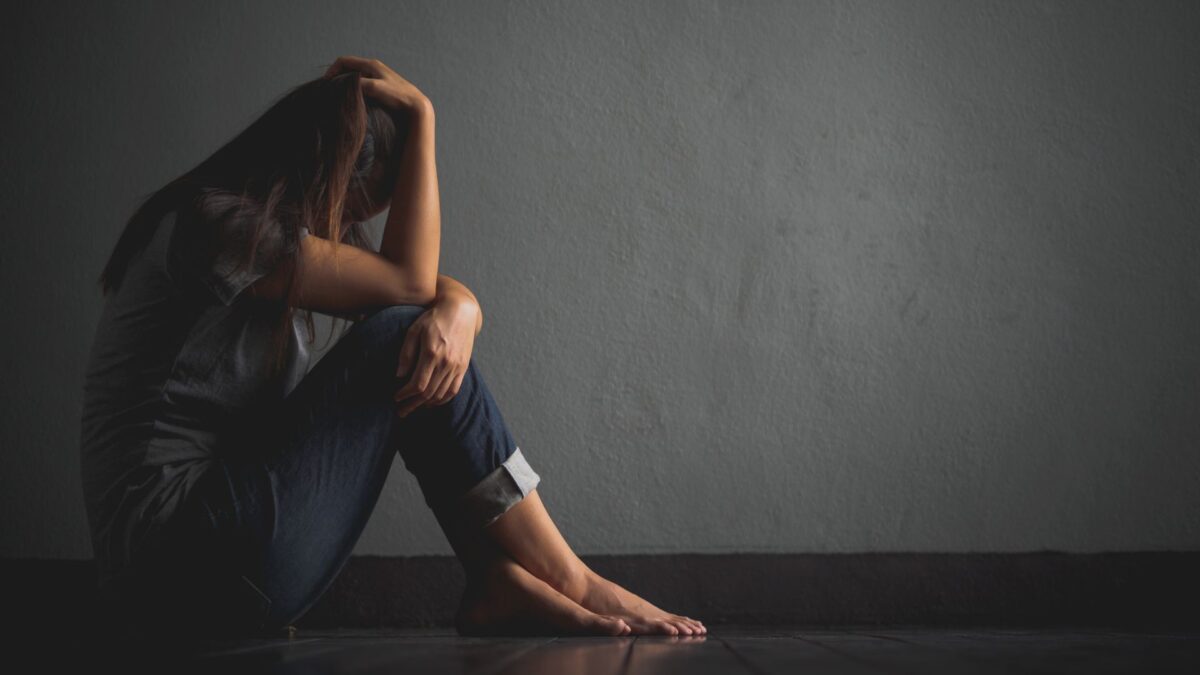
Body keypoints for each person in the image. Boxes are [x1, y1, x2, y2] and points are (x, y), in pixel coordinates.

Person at [79, 55, 705, 640]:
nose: (351, 226)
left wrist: (462, 307)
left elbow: (413, 289)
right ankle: (573, 579)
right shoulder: (216, 226)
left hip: (209, 574)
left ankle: (495, 578)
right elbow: (408, 287)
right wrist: (423, 116)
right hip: (175, 566)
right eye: (358, 204)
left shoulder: (256, 238)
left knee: (417, 336)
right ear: (327, 175)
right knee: (407, 333)